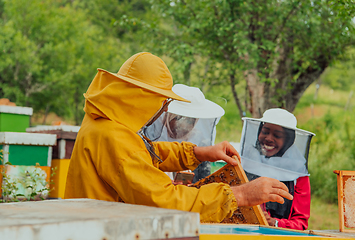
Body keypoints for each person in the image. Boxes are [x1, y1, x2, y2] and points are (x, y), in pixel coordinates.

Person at [64, 52, 293, 223]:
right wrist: (240, 194)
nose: (163, 108)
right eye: (161, 100)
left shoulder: (102, 120)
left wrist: (197, 153)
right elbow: (167, 201)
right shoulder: (113, 136)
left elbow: (141, 154)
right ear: (144, 97)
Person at [239, 108, 315, 229]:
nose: (268, 138)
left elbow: (301, 222)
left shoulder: (297, 172)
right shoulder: (244, 161)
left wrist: (275, 223)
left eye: (277, 135)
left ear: (288, 140)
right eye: (265, 132)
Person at [144, 83, 225, 183]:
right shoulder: (152, 134)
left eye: (191, 121)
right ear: (169, 115)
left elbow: (203, 179)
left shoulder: (200, 139)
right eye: (179, 119)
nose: (185, 126)